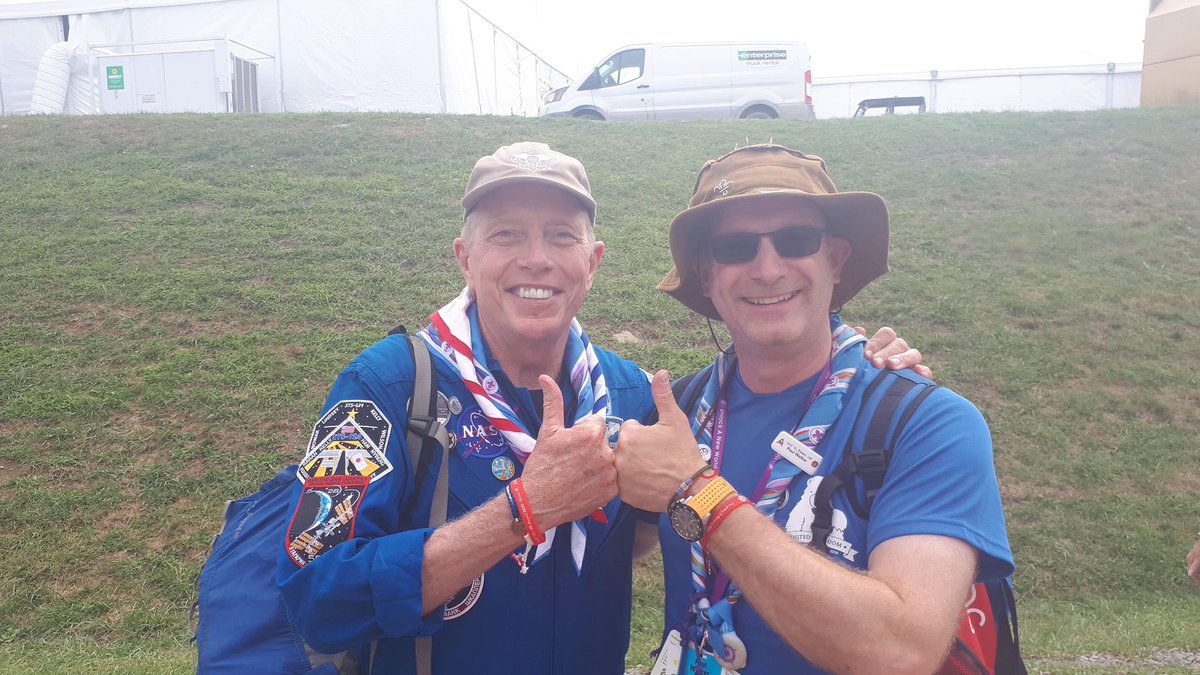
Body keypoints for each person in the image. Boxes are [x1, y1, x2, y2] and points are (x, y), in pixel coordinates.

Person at [276, 141, 926, 674]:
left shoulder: (635, 396)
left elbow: (651, 527)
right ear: (465, 258)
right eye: (507, 234)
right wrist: (519, 513)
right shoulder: (386, 387)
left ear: (592, 262)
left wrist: (862, 363)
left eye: (560, 235)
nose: (537, 258)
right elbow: (313, 597)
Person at [615, 144, 1014, 674]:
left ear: (837, 259)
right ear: (707, 277)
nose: (767, 268)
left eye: (795, 240)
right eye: (735, 248)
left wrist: (696, 493)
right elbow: (601, 553)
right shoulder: (678, 416)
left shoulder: (929, 423)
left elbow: (901, 652)